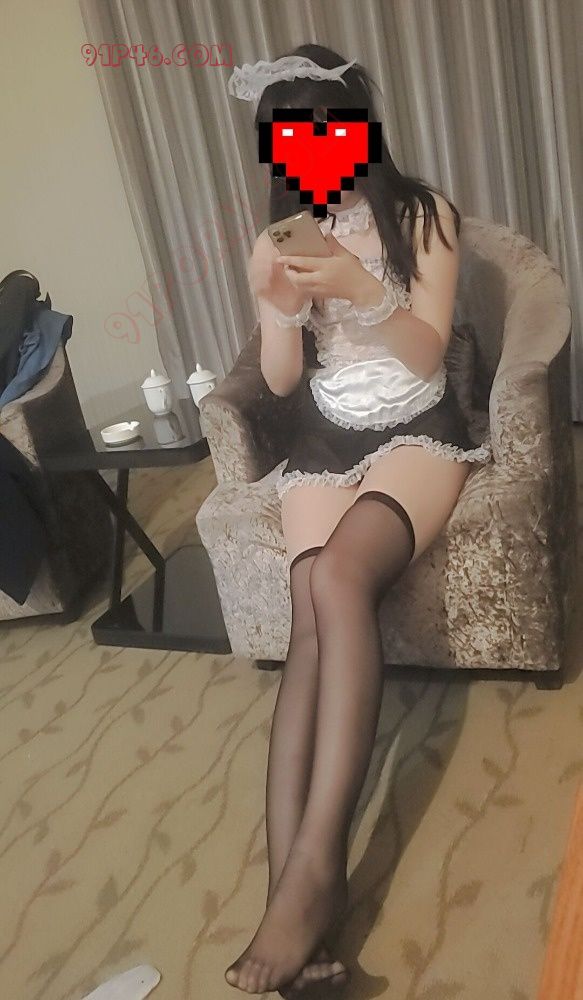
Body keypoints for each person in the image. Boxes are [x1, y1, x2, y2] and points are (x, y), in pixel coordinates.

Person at [225, 43, 492, 996]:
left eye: (324, 134)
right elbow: (282, 382)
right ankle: (296, 901)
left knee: (339, 576)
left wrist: (361, 288)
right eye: (289, 142)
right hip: (325, 433)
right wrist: (277, 308)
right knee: (308, 600)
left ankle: (311, 880)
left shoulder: (423, 215)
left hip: (418, 426)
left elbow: (424, 357)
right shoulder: (279, 235)